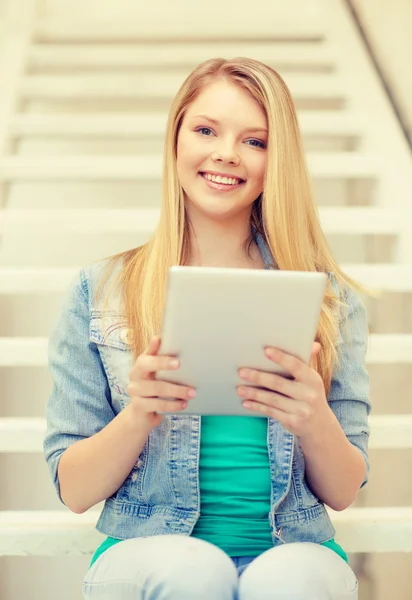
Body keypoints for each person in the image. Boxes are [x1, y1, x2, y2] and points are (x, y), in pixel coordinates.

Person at [43, 57, 371, 600]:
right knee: (192, 571)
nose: (226, 153)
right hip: (147, 548)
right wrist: (140, 414)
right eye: (205, 130)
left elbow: (342, 493)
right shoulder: (97, 292)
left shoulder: (331, 300)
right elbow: (74, 491)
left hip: (291, 547)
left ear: (276, 161)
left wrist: (314, 419)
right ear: (175, 142)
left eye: (255, 141)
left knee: (295, 579)